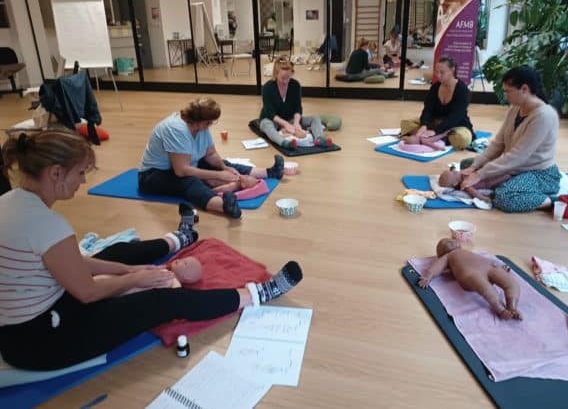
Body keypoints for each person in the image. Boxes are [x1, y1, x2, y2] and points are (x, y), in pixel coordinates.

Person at [0, 130, 303, 371]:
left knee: (117, 253)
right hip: (43, 341)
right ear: (55, 173)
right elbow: (88, 293)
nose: (82, 181)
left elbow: (72, 261)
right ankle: (256, 294)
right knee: (164, 301)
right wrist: (138, 280)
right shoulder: (47, 225)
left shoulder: (11, 201)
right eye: (79, 173)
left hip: (32, 324)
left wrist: (128, 270)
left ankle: (178, 239)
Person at [138, 98, 284, 219]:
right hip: (152, 175)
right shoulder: (176, 129)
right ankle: (223, 206)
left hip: (183, 165)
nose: (210, 125)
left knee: (222, 164)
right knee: (189, 182)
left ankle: (270, 172)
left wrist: (224, 168)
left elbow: (211, 154)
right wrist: (218, 175)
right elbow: (181, 171)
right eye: (209, 122)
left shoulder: (201, 126)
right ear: (200, 119)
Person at [460, 66, 560, 213]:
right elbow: (498, 144)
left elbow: (517, 157)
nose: (505, 95)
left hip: (539, 174)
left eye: (508, 91)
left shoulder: (544, 116)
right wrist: (475, 167)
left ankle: (550, 201)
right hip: (515, 168)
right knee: (466, 164)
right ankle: (505, 183)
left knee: (505, 198)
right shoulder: (515, 109)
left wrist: (480, 174)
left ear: (524, 89)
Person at [418, 238, 522, 320]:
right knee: (487, 289)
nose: (449, 241)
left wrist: (499, 266)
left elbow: (484, 259)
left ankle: (512, 306)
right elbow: (437, 266)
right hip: (471, 275)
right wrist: (428, 276)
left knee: (511, 283)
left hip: (489, 269)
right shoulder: (448, 256)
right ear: (442, 253)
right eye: (444, 243)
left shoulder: (466, 251)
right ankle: (500, 310)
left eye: (449, 239)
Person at [259, 56, 332, 150]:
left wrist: (296, 123)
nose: (285, 81)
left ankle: (319, 139)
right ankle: (284, 143)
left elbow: (298, 107)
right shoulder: (267, 88)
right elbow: (270, 113)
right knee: (266, 125)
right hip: (273, 120)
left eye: (288, 78)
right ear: (275, 74)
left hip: (291, 119)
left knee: (315, 118)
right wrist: (286, 125)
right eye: (282, 78)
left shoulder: (295, 85)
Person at [401, 56, 474, 147]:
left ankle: (427, 138)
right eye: (436, 72)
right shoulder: (435, 87)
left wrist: (435, 131)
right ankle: (430, 138)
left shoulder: (462, 90)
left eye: (442, 72)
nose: (438, 75)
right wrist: (424, 125)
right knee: (405, 123)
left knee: (462, 139)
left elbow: (455, 117)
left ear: (452, 70)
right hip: (434, 122)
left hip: (455, 124)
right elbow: (428, 109)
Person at [439, 169, 511, 203]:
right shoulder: (464, 185)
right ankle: (510, 175)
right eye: (453, 174)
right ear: (455, 183)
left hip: (486, 174)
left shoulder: (462, 174)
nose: (454, 171)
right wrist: (484, 198)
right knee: (506, 176)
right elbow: (474, 193)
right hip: (489, 182)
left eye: (452, 171)